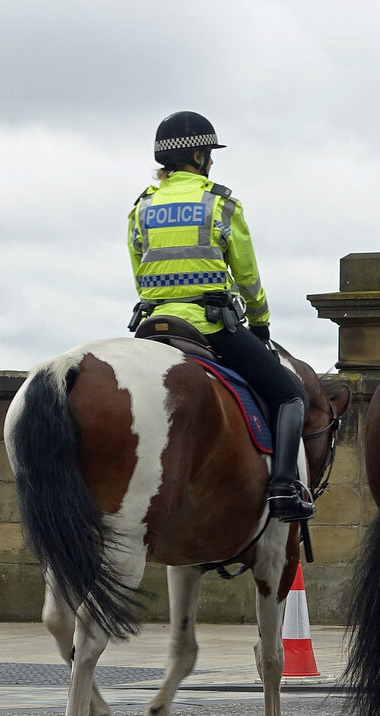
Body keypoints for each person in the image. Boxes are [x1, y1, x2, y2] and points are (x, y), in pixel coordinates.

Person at [126, 110, 313, 522]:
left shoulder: (142, 206)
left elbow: (140, 270)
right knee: (290, 395)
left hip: (152, 325)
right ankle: (283, 488)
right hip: (209, 326)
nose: (211, 160)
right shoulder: (220, 203)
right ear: (197, 156)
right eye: (208, 153)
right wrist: (261, 320)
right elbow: (246, 276)